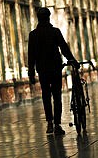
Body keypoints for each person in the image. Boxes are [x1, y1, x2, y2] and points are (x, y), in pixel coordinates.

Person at [28, 7, 79, 135]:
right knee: (57, 96)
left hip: (42, 71)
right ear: (48, 17)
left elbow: (31, 56)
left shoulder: (33, 35)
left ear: (38, 18)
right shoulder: (55, 32)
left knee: (46, 96)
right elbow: (64, 48)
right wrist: (73, 61)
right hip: (55, 69)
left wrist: (31, 74)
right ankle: (57, 125)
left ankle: (49, 124)